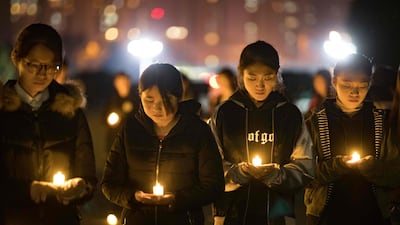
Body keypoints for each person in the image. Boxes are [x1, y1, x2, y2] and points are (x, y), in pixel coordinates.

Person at [101, 63, 225, 225]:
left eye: (165, 99)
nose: (157, 107)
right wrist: (133, 197)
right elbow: (109, 183)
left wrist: (177, 199)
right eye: (149, 99)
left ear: (178, 96)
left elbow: (213, 185)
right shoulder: (130, 130)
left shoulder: (197, 131)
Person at [0, 23, 97, 225]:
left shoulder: (70, 111)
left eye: (52, 66)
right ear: (17, 59)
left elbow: (88, 175)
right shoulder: (3, 111)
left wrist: (81, 187)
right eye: (34, 65)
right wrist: (29, 189)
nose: (43, 74)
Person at [209, 40, 314, 225]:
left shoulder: (289, 114)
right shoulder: (225, 113)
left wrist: (277, 175)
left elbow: (305, 165)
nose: (260, 85)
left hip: (279, 214)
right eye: (252, 77)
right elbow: (209, 164)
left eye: (268, 77)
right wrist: (234, 173)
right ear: (241, 74)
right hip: (231, 213)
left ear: (277, 75)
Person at [304, 53, 400, 225]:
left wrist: (373, 168)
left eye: (362, 86)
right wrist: (338, 165)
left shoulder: (380, 122)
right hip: (326, 215)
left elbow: (395, 173)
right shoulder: (316, 122)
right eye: (347, 84)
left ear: (370, 84)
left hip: (372, 213)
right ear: (334, 81)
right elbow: (302, 175)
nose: (354, 92)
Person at [104, 71, 140, 149]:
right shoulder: (112, 100)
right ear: (115, 84)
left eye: (125, 82)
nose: (123, 85)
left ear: (129, 82)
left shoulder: (136, 100)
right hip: (115, 140)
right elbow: (104, 118)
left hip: (133, 140)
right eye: (120, 83)